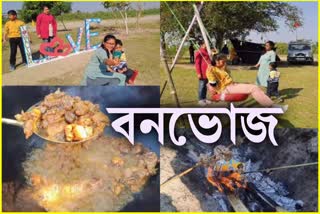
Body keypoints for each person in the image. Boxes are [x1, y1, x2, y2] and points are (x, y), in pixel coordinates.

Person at [206, 54, 288, 111]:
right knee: (254, 88)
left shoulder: (222, 68)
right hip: (226, 89)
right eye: (223, 61)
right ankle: (271, 106)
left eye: (225, 61)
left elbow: (227, 80)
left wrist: (241, 83)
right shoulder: (211, 70)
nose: (225, 63)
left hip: (231, 86)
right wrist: (211, 73)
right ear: (217, 61)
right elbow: (213, 84)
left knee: (252, 85)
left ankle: (270, 105)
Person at [195, 39, 212, 106]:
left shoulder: (207, 51)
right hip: (202, 72)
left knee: (205, 86)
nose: (207, 44)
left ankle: (204, 98)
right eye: (205, 43)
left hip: (208, 72)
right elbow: (197, 63)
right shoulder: (199, 52)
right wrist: (198, 73)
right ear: (202, 44)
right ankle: (200, 100)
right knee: (202, 86)